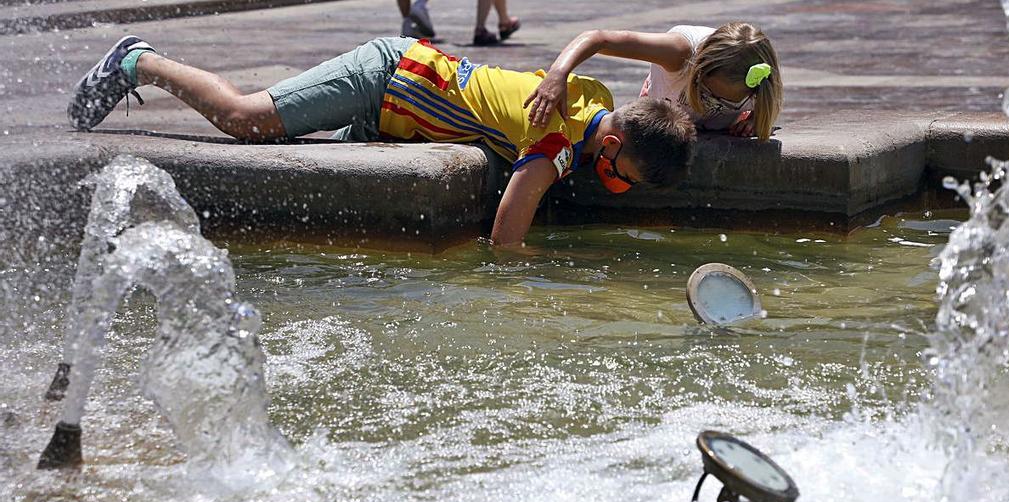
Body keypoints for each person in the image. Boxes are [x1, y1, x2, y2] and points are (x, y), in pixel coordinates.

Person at [66, 36, 696, 246]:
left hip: (397, 114)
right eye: (624, 178)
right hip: (385, 76)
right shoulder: (554, 143)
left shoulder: (598, 99)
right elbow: (506, 238)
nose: (614, 187)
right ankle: (138, 61)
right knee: (245, 121)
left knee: (284, 153)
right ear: (608, 150)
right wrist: (544, 276)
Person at [525, 22, 781, 141]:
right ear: (699, 70)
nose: (711, 103)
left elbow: (769, 98)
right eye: (708, 94)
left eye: (725, 101)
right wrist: (557, 74)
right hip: (667, 106)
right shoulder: (678, 52)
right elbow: (597, 38)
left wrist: (753, 118)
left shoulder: (756, 73)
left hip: (708, 125)